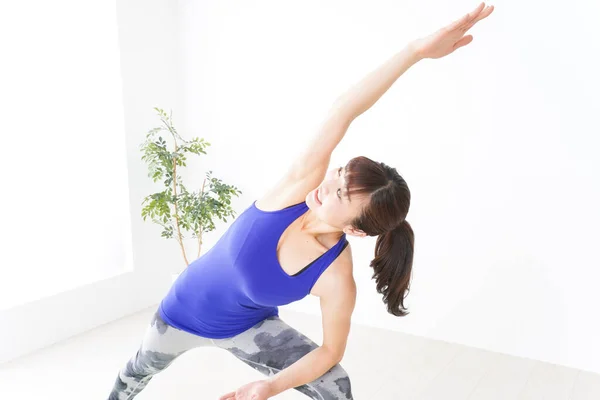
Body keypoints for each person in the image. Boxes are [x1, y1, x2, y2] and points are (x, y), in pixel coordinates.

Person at [108, 3, 494, 399]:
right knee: (133, 375)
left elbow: (331, 351)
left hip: (248, 330)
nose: (329, 184)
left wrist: (270, 386)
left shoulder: (336, 276)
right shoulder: (297, 189)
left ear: (355, 229)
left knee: (337, 386)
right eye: (340, 173)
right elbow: (343, 109)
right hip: (180, 313)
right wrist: (414, 51)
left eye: (341, 194)